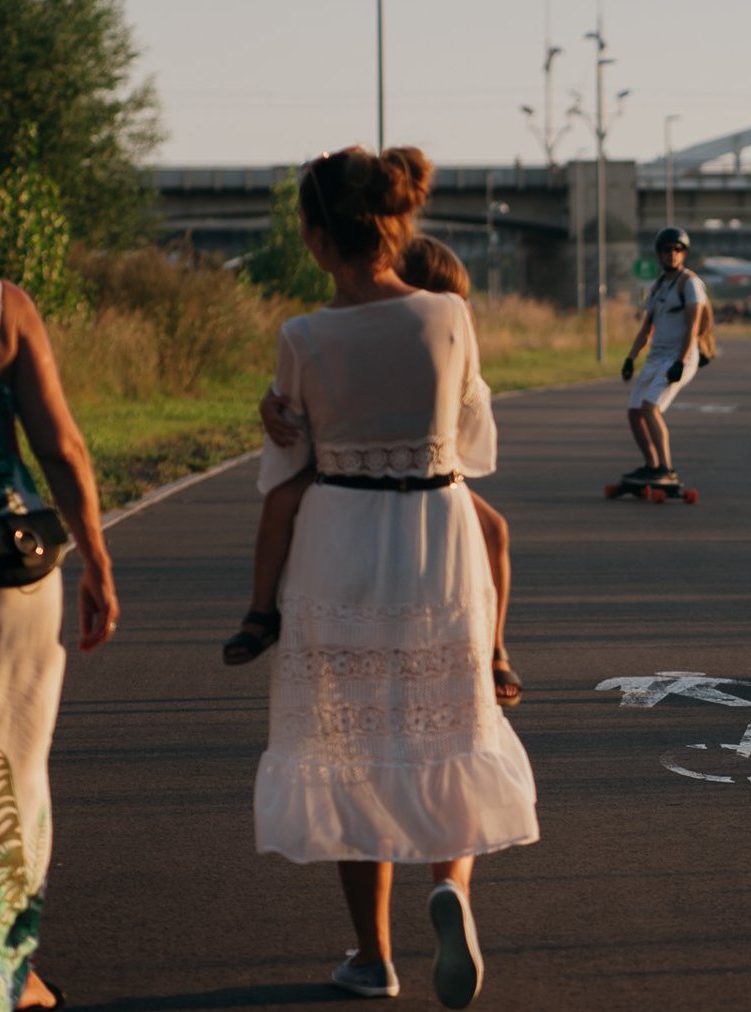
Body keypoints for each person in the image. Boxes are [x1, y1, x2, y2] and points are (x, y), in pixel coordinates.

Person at [250, 146, 538, 1009]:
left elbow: (286, 462)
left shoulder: (301, 336)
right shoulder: (449, 316)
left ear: (314, 237)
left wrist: (277, 421)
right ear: (394, 219)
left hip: (339, 533)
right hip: (436, 531)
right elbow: (473, 438)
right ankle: (451, 881)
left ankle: (374, 958)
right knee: (453, 719)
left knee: (348, 740)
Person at [0, 118, 118, 1012]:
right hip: (0, 570)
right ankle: (4, 973)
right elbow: (66, 450)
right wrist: (96, 560)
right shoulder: (0, 307)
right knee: (4, 771)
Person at [231, 234, 523, 707]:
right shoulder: (359, 333)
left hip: (424, 467)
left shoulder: (443, 339)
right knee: (280, 500)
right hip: (345, 463)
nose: (458, 310)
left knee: (494, 530)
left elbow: (468, 406)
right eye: (450, 299)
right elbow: (289, 389)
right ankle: (261, 610)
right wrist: (270, 405)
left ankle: (493, 644)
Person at [618, 226, 710, 483]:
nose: (672, 253)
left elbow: (693, 325)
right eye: (667, 249)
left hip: (679, 357)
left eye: (678, 249)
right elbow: (647, 326)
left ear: (684, 254)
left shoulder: (690, 284)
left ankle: (667, 470)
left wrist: (681, 362)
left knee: (650, 407)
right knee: (634, 411)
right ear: (659, 253)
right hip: (655, 358)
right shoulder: (658, 286)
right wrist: (630, 357)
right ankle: (652, 464)